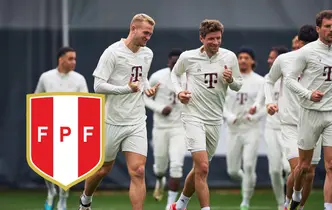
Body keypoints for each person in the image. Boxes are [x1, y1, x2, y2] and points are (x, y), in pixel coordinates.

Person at [78, 13, 159, 210]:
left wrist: (147, 88)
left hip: (137, 120)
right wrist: (126, 89)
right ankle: (86, 200)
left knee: (139, 170)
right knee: (103, 169)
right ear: (133, 29)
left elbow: (143, 78)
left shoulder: (147, 53)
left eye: (151, 34)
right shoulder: (112, 52)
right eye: (146, 33)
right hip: (111, 121)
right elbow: (98, 86)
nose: (148, 37)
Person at [169, 19, 243, 210]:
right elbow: (175, 74)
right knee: (203, 168)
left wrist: (231, 80)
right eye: (211, 39)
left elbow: (238, 85)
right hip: (193, 116)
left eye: (218, 38)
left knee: (199, 169)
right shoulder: (188, 57)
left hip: (215, 119)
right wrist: (179, 91)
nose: (216, 42)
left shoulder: (229, 57)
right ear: (202, 38)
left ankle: (181, 204)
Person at [284, 10, 332, 210]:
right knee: (303, 167)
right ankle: (295, 195)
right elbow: (289, 80)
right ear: (318, 29)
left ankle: (328, 208)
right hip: (310, 112)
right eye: (328, 26)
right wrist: (307, 94)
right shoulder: (307, 51)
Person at [264, 25, 321, 210]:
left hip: (314, 122)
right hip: (290, 124)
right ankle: (287, 204)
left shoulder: (324, 61)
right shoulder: (285, 60)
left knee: (310, 173)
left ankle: (300, 207)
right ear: (300, 44)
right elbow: (269, 80)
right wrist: (269, 101)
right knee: (298, 168)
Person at [34, 46, 88, 210]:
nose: (74, 62)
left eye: (75, 59)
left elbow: (86, 102)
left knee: (66, 167)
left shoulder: (79, 79)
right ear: (61, 59)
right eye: (70, 58)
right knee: (46, 163)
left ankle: (63, 198)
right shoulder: (46, 77)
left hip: (70, 128)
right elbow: (36, 99)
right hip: (50, 127)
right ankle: (51, 192)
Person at [223, 47, 266, 210]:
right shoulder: (230, 80)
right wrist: (229, 116)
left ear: (253, 61)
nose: (242, 60)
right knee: (233, 171)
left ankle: (245, 201)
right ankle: (248, 181)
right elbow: (220, 103)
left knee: (248, 165)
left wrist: (253, 117)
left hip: (251, 128)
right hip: (234, 129)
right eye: (240, 57)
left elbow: (264, 106)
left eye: (246, 58)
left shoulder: (260, 81)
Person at [144, 48, 187, 209]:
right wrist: (160, 108)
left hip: (179, 128)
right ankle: (160, 179)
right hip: (161, 127)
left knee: (176, 166)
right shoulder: (158, 76)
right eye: (173, 62)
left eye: (178, 62)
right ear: (168, 62)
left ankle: (170, 204)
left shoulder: (188, 78)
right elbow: (145, 98)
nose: (175, 65)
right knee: (160, 168)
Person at [250, 46, 291, 210]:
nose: (268, 60)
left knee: (288, 167)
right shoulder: (268, 78)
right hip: (271, 129)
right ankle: (281, 205)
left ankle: (292, 199)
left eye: (272, 57)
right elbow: (260, 99)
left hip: (289, 128)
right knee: (274, 171)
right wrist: (255, 107)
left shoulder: (292, 77)